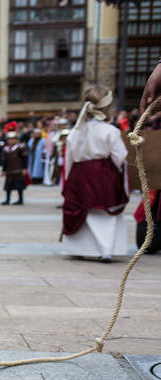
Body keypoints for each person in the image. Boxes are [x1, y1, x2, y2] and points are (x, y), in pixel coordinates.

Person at [60, 85, 129, 261]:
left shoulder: (76, 131)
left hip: (79, 174)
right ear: (107, 108)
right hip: (103, 174)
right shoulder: (110, 131)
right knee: (103, 212)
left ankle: (78, 247)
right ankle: (105, 249)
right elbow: (120, 156)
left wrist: (68, 181)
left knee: (83, 210)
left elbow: (69, 158)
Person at [1, 130, 29, 205]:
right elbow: (5, 161)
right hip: (9, 170)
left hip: (18, 169)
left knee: (19, 185)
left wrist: (25, 168)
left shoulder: (20, 148)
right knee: (8, 186)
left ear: (16, 139)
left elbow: (24, 159)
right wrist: (3, 170)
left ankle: (20, 199)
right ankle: (7, 199)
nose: (11, 141)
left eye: (13, 139)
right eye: (9, 139)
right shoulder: (6, 149)